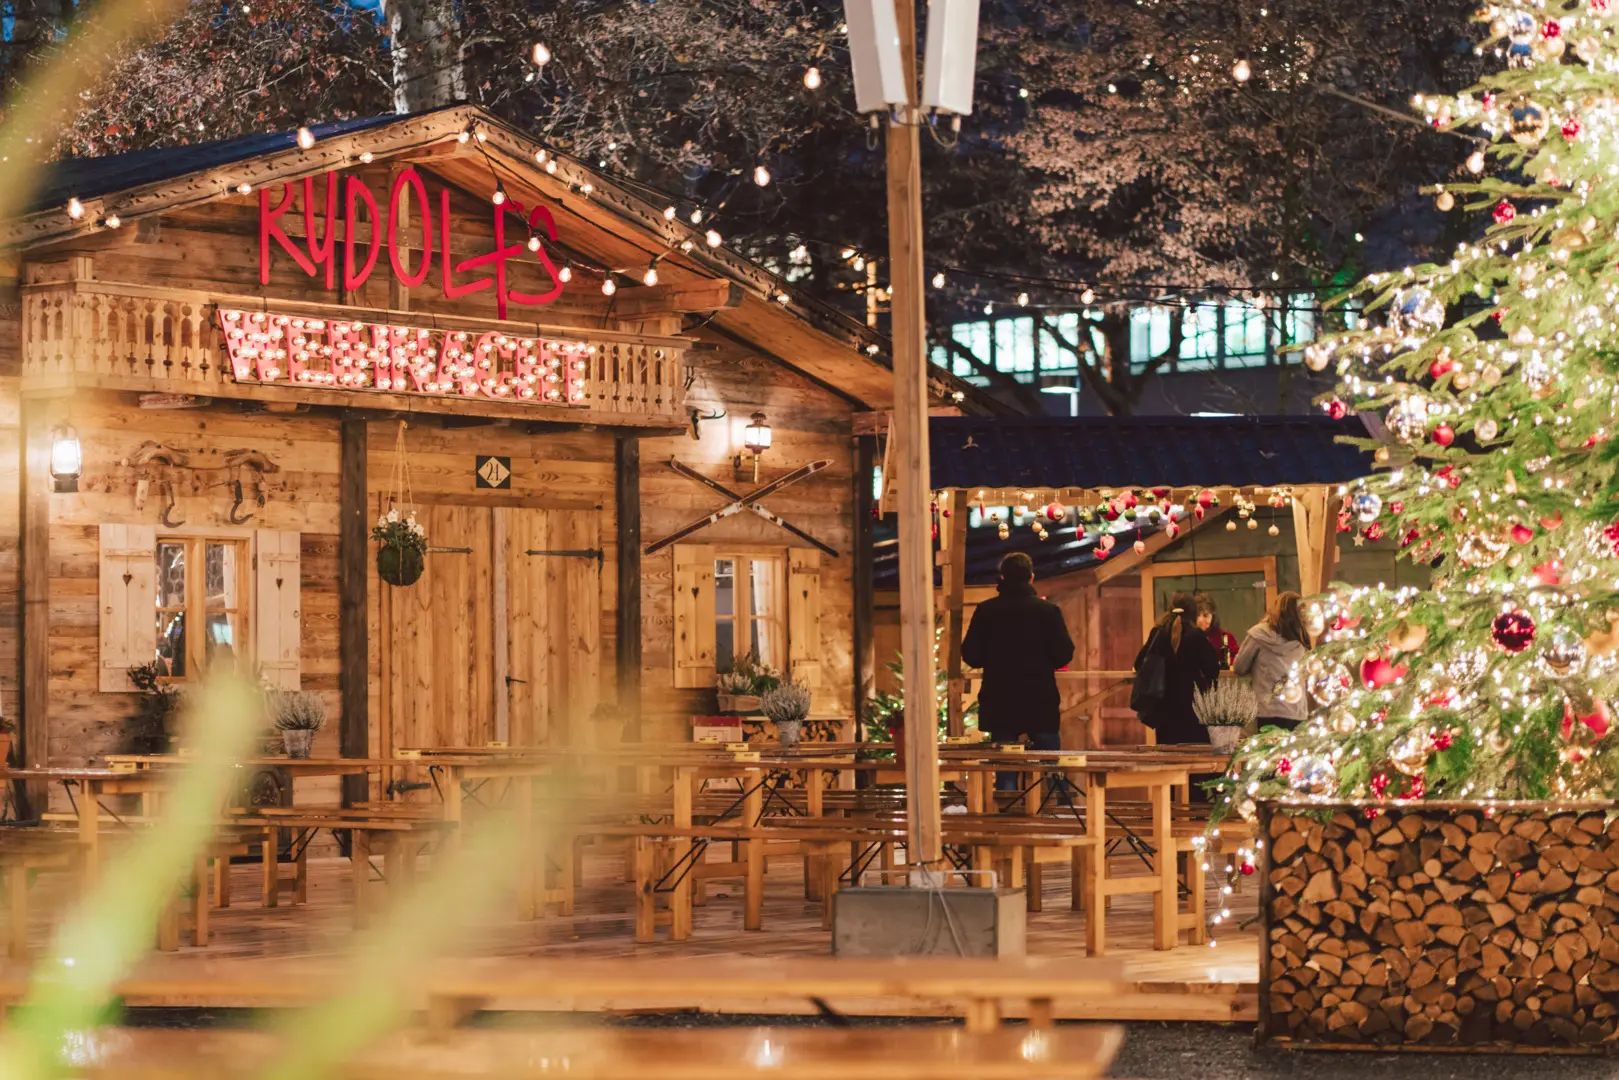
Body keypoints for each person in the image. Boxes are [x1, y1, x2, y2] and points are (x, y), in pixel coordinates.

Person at [961, 552, 1076, 791]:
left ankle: (1007, 815)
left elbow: (971, 655)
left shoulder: (986, 611)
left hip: (999, 699)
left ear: (1003, 578)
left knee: (1005, 768)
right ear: (1031, 578)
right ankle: (1061, 815)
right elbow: (1064, 654)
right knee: (1051, 765)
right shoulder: (1048, 611)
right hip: (1040, 698)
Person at [1134, 591, 1220, 743]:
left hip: (1164, 706)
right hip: (1192, 706)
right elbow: (1212, 669)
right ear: (1193, 612)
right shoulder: (1196, 635)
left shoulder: (1158, 632)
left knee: (1167, 756)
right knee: (1196, 755)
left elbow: (1139, 662)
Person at [1233, 591, 1313, 730]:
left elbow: (1239, 667)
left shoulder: (1258, 634)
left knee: (1268, 751)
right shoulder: (1302, 638)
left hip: (1267, 710)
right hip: (1296, 711)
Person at [1195, 594, 1240, 670]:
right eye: (1197, 615)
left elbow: (1237, 660)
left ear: (1213, 616)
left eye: (1205, 615)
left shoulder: (1225, 637)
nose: (1200, 620)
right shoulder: (1186, 637)